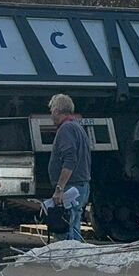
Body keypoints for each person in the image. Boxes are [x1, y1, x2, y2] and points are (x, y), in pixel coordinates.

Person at [47, 93, 91, 241]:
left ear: (57, 110)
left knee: (65, 230)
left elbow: (70, 160)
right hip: (79, 186)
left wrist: (59, 188)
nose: (51, 114)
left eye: (52, 110)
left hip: (70, 188)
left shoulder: (66, 129)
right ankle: (76, 260)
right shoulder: (77, 128)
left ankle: (67, 262)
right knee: (74, 226)